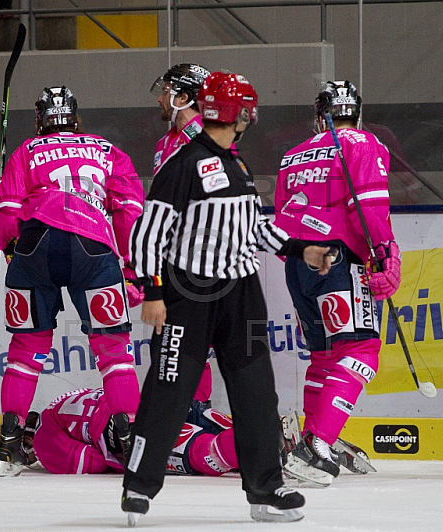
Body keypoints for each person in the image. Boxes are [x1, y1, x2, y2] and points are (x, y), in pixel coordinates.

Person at [122, 71, 333, 526]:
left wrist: (302, 248)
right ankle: (139, 487)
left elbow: (254, 229)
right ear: (239, 114)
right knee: (169, 389)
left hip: (242, 294)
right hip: (187, 294)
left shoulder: (237, 166)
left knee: (258, 393)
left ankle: (266, 487)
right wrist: (153, 293)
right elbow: (147, 235)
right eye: (249, 109)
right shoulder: (182, 165)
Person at [0, 86, 145, 478]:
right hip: (92, 245)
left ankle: (9, 444)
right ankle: (130, 442)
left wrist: (8, 246)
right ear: (76, 118)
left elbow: (5, 217)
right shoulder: (108, 150)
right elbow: (129, 212)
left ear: (40, 119)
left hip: (35, 244)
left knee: (27, 350)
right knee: (113, 350)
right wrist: (129, 265)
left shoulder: (26, 151)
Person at [274, 80, 399, 484]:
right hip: (339, 259)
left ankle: (315, 436)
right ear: (356, 113)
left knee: (325, 355)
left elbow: (280, 221)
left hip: (298, 264)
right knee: (362, 349)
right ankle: (318, 441)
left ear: (319, 114)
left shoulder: (292, 156)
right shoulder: (363, 144)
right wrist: (384, 254)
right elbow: (371, 206)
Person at [149, 62, 219, 402]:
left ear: (185, 96)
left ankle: (195, 419)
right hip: (170, 255)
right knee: (168, 346)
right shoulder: (167, 141)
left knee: (189, 347)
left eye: (166, 91)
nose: (161, 98)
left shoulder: (206, 135)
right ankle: (181, 422)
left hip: (196, 255)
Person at [26, 388, 238, 477]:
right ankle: (265, 435)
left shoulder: (42, 438)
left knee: (207, 452)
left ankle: (253, 449)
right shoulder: (63, 399)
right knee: (225, 425)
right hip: (147, 398)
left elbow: (93, 463)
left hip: (120, 428)